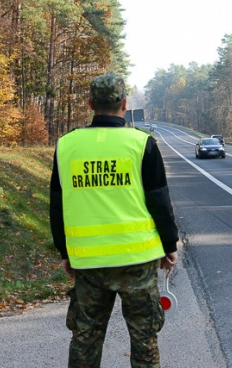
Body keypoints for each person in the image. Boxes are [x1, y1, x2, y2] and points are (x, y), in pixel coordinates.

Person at [49, 73, 179, 368]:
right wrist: (169, 245)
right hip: (137, 259)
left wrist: (65, 252)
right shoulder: (141, 143)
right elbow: (159, 200)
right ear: (124, 103)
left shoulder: (67, 146)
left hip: (89, 262)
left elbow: (57, 205)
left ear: (90, 103)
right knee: (144, 339)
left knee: (85, 339)